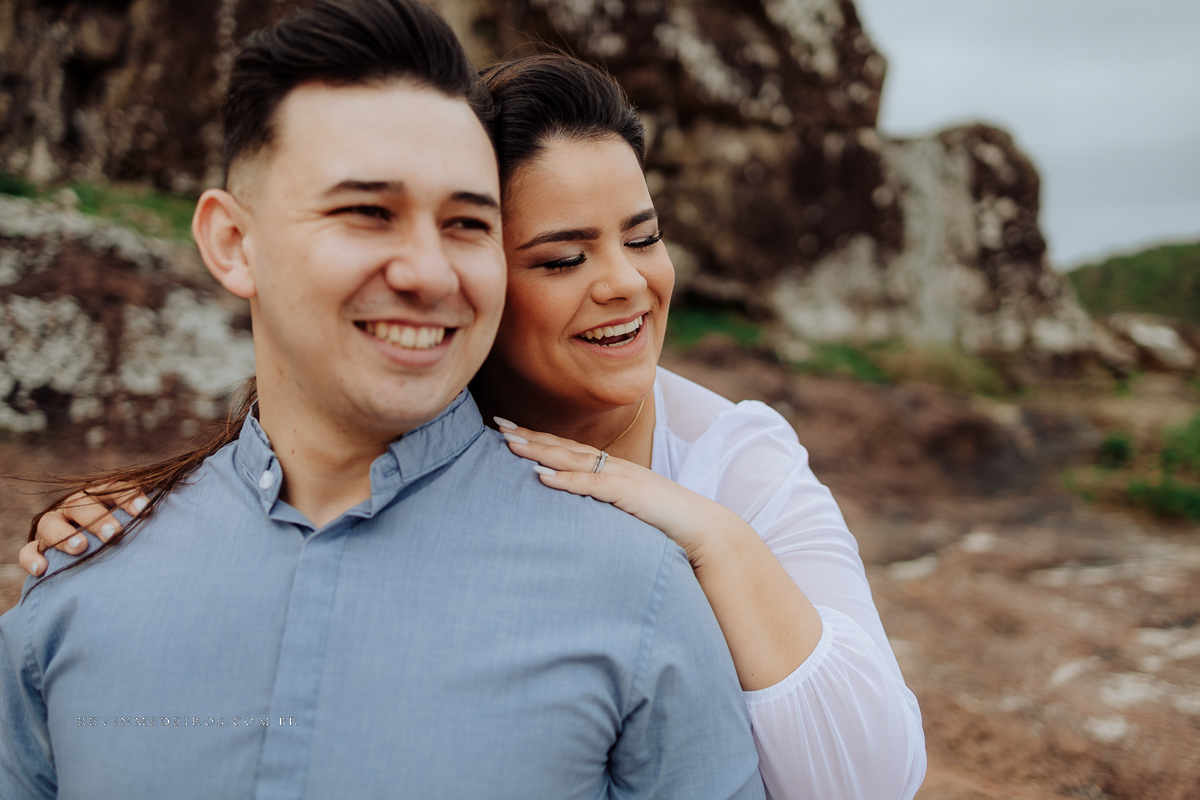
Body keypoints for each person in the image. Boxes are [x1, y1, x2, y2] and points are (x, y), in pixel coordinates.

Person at [18, 45, 925, 800]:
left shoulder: (732, 466)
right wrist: (159, 513)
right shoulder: (395, 428)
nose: (624, 281)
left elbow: (876, 775)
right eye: (563, 255)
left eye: (642, 236)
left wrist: (712, 537)